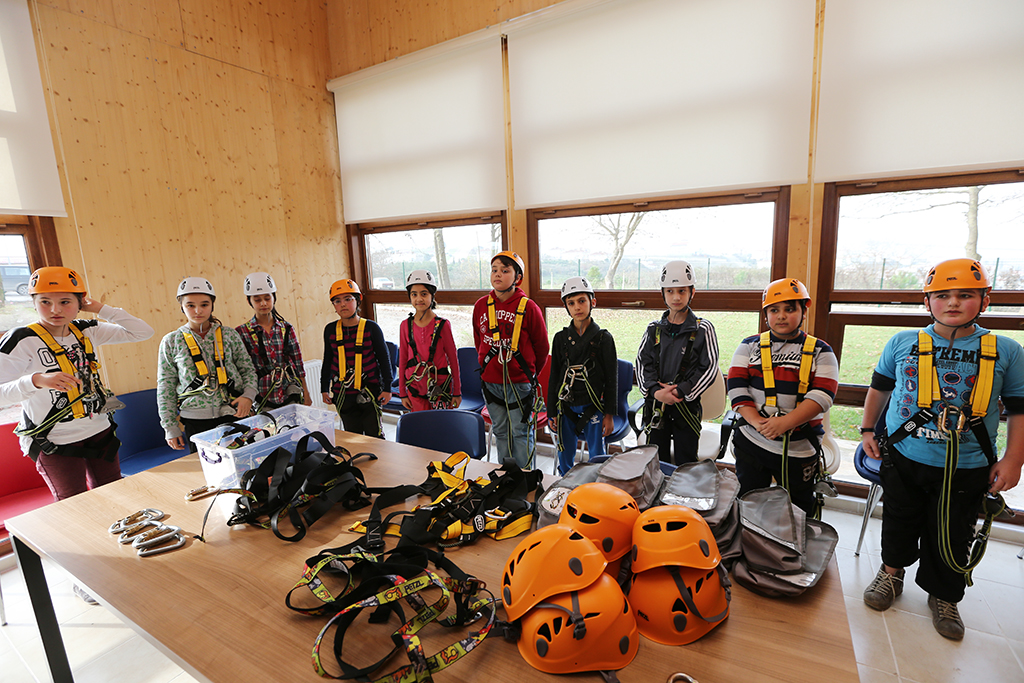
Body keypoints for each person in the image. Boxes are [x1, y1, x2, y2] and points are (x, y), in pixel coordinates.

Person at [860, 258, 1024, 641]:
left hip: (967, 464)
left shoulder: (1006, 350)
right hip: (905, 455)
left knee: (952, 531)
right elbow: (879, 389)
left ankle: (944, 594)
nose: (952, 303)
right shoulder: (903, 343)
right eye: (942, 295)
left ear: (984, 300)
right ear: (927, 301)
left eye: (964, 295)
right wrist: (868, 428)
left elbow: (1019, 410)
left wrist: (1013, 459)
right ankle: (891, 573)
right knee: (899, 518)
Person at [0, 267, 154, 605]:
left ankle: (121, 562)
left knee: (113, 501)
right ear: (34, 303)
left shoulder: (87, 329)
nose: (55, 310)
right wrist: (34, 381)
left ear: (78, 302)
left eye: (65, 301)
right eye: (45, 302)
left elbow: (143, 331)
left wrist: (100, 309)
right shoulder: (21, 340)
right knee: (73, 511)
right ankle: (85, 577)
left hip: (98, 431)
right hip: (54, 441)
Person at [726, 278, 839, 516]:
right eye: (774, 310)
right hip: (753, 440)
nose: (782, 316)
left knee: (797, 507)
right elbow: (736, 387)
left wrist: (786, 422)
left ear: (803, 312)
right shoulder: (749, 346)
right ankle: (751, 540)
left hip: (798, 447)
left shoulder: (822, 351)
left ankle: (793, 547)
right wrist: (757, 422)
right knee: (748, 499)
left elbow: (823, 395)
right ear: (766, 314)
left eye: (790, 309)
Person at [158, 277, 257, 452]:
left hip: (234, 412)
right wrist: (170, 427)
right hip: (195, 421)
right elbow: (166, 385)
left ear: (212, 305)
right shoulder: (171, 341)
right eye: (190, 305)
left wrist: (248, 396)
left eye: (204, 304)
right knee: (207, 470)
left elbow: (247, 369)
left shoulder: (229, 335)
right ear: (182, 306)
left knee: (244, 463)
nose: (198, 311)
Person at [635, 260, 719, 465]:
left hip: (686, 407)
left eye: (682, 291)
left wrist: (682, 391)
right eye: (670, 291)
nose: (676, 297)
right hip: (656, 405)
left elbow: (709, 367)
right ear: (662, 293)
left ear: (692, 292)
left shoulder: (703, 329)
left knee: (686, 460)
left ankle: (684, 494)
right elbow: (641, 363)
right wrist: (655, 391)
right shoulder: (653, 329)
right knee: (655, 459)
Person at [473, 251, 548, 468]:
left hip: (519, 383)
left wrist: (528, 373)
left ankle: (525, 481)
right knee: (501, 431)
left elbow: (542, 347)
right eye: (494, 269)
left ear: (517, 278)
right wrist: (486, 364)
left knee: (521, 431)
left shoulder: (528, 307)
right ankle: (507, 475)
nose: (498, 274)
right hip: (491, 382)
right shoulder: (481, 306)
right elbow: (480, 339)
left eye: (505, 270)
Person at [548, 276, 617, 475]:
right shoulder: (560, 339)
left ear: (592, 302)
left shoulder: (603, 338)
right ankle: (566, 485)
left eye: (581, 301)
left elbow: (612, 379)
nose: (577, 307)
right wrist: (552, 410)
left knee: (597, 454)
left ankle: (596, 487)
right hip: (566, 406)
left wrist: (609, 415)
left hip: (593, 407)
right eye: (571, 303)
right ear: (566, 307)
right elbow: (554, 376)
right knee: (565, 452)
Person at [320, 279, 392, 438]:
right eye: (337, 301)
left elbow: (384, 359)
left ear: (357, 301)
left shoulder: (371, 328)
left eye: (348, 299)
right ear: (334, 306)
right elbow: (328, 360)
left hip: (370, 390)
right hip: (343, 393)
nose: (343, 304)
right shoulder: (331, 330)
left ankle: (378, 460)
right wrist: (324, 388)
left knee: (375, 434)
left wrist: (387, 387)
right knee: (352, 435)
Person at [235, 272, 311, 412]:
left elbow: (298, 362)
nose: (263, 303)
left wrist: (306, 392)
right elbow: (242, 370)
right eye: (257, 300)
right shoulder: (242, 333)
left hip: (289, 391)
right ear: (249, 301)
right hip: (261, 397)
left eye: (267, 298)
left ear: (274, 298)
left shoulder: (286, 328)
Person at [397, 270, 461, 411]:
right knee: (421, 428)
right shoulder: (405, 326)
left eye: (424, 294)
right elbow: (402, 360)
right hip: (415, 390)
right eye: (414, 294)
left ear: (432, 295)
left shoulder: (443, 325)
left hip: (440, 389)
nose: (419, 299)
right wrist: (402, 393)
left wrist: (457, 391)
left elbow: (453, 359)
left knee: (440, 427)